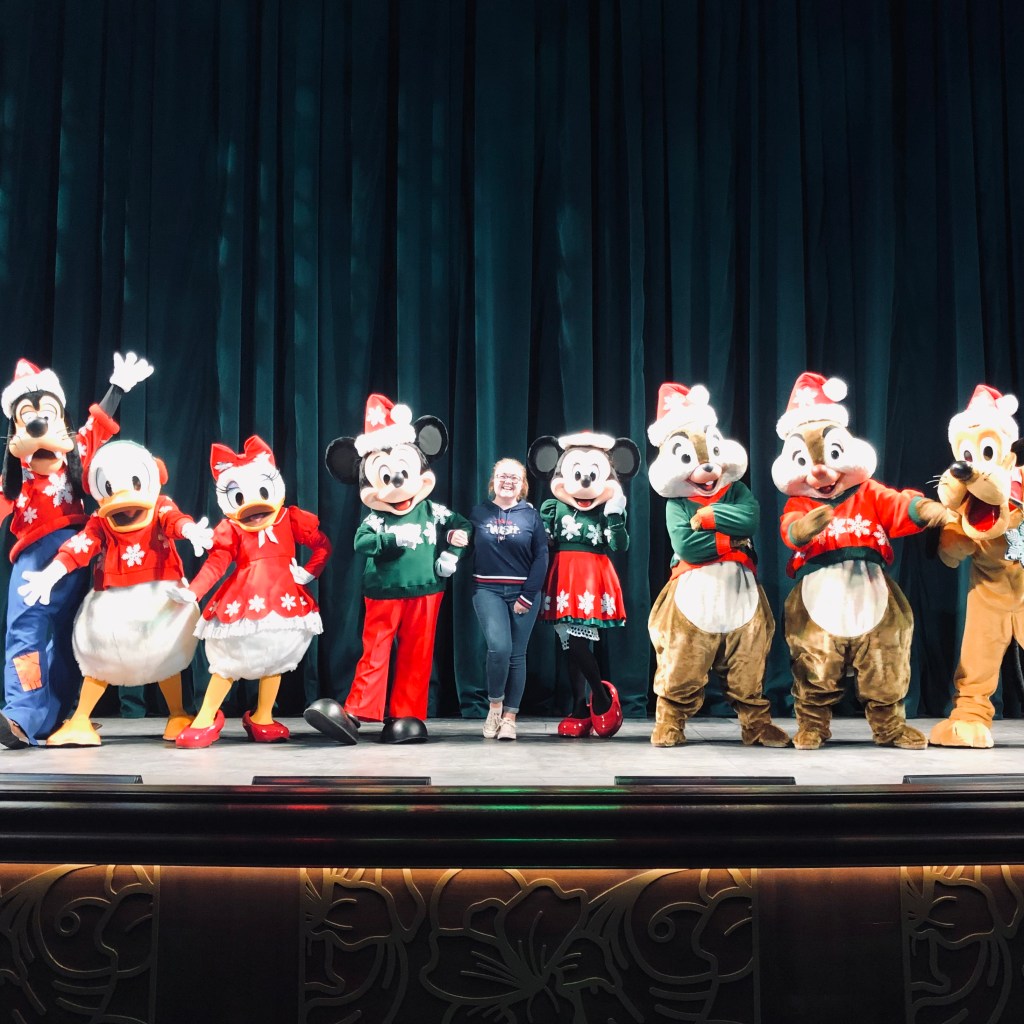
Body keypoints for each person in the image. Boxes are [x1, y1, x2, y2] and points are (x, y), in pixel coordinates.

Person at [470, 458, 548, 741]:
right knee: (499, 648)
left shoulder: (531, 516)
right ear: (494, 480)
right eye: (503, 476)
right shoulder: (479, 513)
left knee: (517, 655)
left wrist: (527, 596)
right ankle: (495, 706)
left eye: (514, 478)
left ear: (522, 484)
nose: (508, 481)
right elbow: (465, 544)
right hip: (487, 590)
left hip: (523, 593)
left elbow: (541, 556)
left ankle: (510, 718)